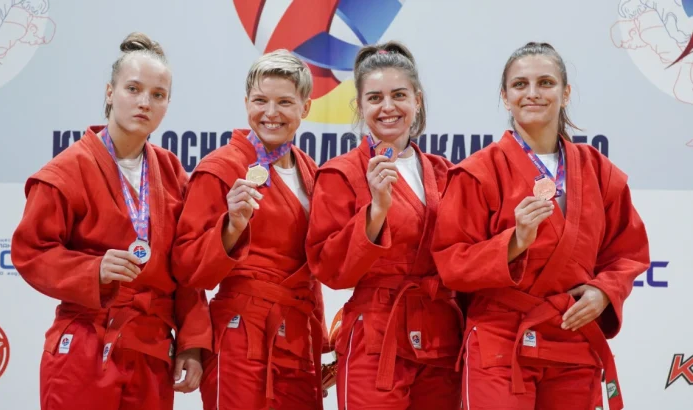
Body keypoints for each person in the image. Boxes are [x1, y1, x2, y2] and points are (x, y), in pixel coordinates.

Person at [431, 42, 651, 410]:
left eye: (546, 83)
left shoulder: (599, 170)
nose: (532, 93)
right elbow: (451, 262)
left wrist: (603, 293)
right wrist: (514, 242)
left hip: (571, 333)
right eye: (520, 85)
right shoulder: (477, 172)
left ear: (565, 93)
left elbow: (628, 252)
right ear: (505, 97)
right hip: (501, 340)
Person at [11, 33, 210, 409]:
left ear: (167, 104)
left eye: (158, 94)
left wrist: (192, 342)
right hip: (86, 342)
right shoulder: (67, 170)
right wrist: (93, 270)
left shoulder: (172, 172)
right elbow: (30, 252)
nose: (144, 102)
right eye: (133, 89)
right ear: (109, 92)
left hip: (152, 347)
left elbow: (187, 266)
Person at [306, 41, 463, 410]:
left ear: (417, 101)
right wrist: (376, 211)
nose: (388, 107)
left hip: (439, 336)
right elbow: (331, 269)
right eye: (375, 98)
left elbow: (463, 255)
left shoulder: (445, 172)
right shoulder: (340, 173)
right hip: (376, 336)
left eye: (399, 95)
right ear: (360, 106)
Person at [171, 49, 328, 410]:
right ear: (246, 104)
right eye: (260, 101)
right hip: (240, 333)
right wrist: (231, 227)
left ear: (305, 107)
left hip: (296, 336)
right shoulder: (220, 168)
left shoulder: (310, 170)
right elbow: (186, 268)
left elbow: (313, 268)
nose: (270, 113)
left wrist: (318, 343)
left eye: (284, 102)